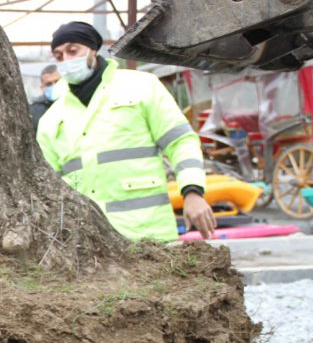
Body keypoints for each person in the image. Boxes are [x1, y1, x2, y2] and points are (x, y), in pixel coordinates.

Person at [36, 21, 216, 242]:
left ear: (93, 49)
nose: (66, 60)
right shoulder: (51, 119)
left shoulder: (142, 87)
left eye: (73, 51)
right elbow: (46, 183)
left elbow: (180, 141)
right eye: (59, 56)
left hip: (148, 236)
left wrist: (192, 191)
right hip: (87, 244)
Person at [29, 64, 61, 130]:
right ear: (42, 88)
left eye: (58, 81)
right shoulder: (34, 112)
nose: (54, 86)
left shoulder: (79, 101)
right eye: (49, 84)